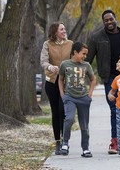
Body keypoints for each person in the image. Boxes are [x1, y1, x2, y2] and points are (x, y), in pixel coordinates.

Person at [86, 9, 120, 154]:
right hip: (110, 77)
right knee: (115, 109)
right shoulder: (96, 37)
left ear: (115, 19)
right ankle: (115, 142)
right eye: (106, 20)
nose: (109, 22)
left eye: (111, 19)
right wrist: (86, 76)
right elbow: (87, 60)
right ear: (104, 22)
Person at [58, 42, 96, 158]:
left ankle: (85, 148)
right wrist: (63, 95)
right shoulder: (65, 64)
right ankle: (65, 143)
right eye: (83, 54)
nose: (85, 56)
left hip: (83, 98)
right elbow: (60, 80)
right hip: (70, 97)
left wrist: (89, 94)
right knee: (69, 119)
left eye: (86, 54)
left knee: (84, 125)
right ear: (75, 52)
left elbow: (93, 80)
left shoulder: (86, 65)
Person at [40, 22, 73, 155]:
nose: (64, 31)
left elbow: (75, 59)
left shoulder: (70, 44)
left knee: (63, 111)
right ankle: (57, 142)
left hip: (66, 82)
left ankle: (65, 142)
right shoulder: (47, 44)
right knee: (55, 112)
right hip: (52, 82)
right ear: (55, 32)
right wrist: (50, 67)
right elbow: (43, 61)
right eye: (62, 29)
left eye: (64, 28)